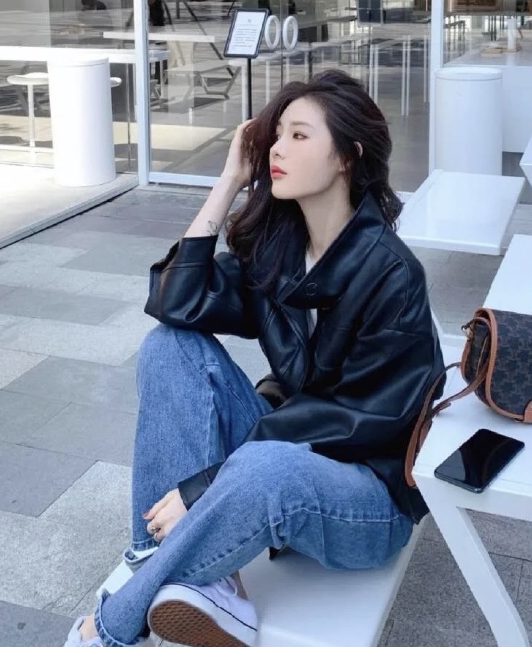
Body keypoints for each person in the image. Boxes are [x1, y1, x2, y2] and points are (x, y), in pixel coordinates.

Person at [64, 69, 445, 647]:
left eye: (299, 135)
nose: (277, 149)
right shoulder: (278, 251)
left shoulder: (392, 273)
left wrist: (205, 486)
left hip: (367, 498)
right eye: (276, 135)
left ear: (348, 157)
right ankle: (193, 575)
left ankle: (117, 625)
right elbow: (176, 302)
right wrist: (228, 182)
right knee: (170, 346)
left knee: (263, 465)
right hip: (283, 458)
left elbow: (360, 421)